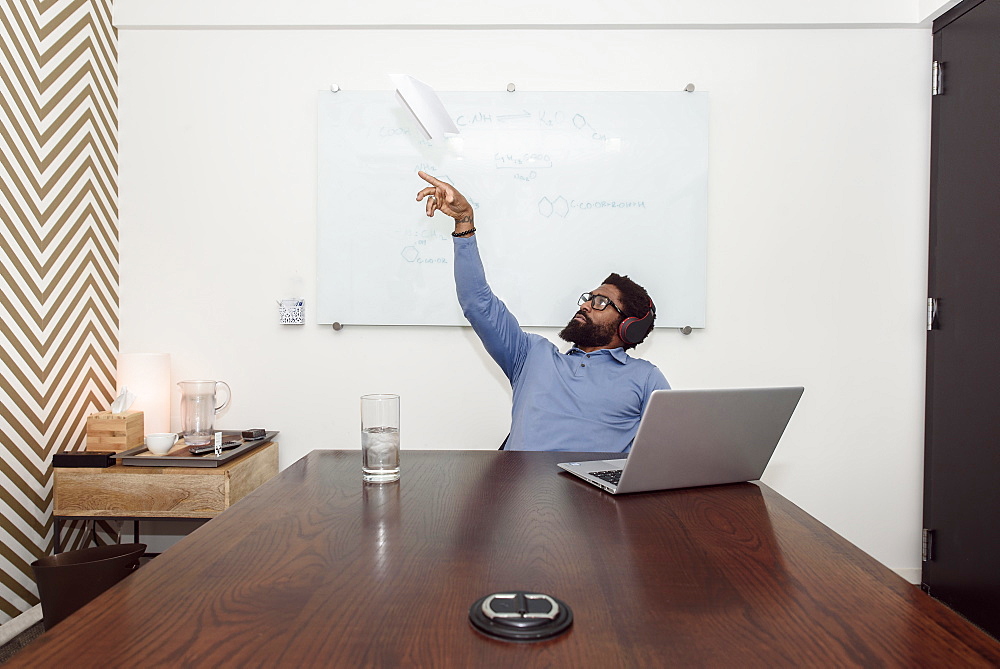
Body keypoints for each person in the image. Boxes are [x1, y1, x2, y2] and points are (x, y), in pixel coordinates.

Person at [415, 171, 670, 452]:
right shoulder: (531, 355)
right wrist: (464, 221)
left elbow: (672, 452)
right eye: (588, 298)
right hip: (523, 491)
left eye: (600, 302)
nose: (585, 305)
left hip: (596, 493)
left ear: (628, 327)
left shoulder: (646, 378)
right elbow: (478, 303)